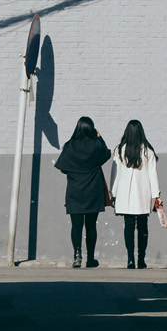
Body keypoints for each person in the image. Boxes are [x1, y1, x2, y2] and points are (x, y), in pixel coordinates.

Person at [54, 115, 112, 269]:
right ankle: (91, 258)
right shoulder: (95, 145)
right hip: (93, 190)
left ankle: (77, 255)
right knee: (91, 225)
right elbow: (106, 153)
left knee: (76, 225)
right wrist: (99, 137)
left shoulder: (70, 145)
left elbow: (63, 168)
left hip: (75, 191)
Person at [109, 119, 162, 269]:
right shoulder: (147, 151)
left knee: (128, 226)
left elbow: (115, 173)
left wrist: (113, 193)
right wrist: (156, 194)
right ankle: (141, 259)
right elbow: (153, 174)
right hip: (142, 193)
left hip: (125, 193)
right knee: (143, 227)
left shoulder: (120, 150)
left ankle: (130, 258)